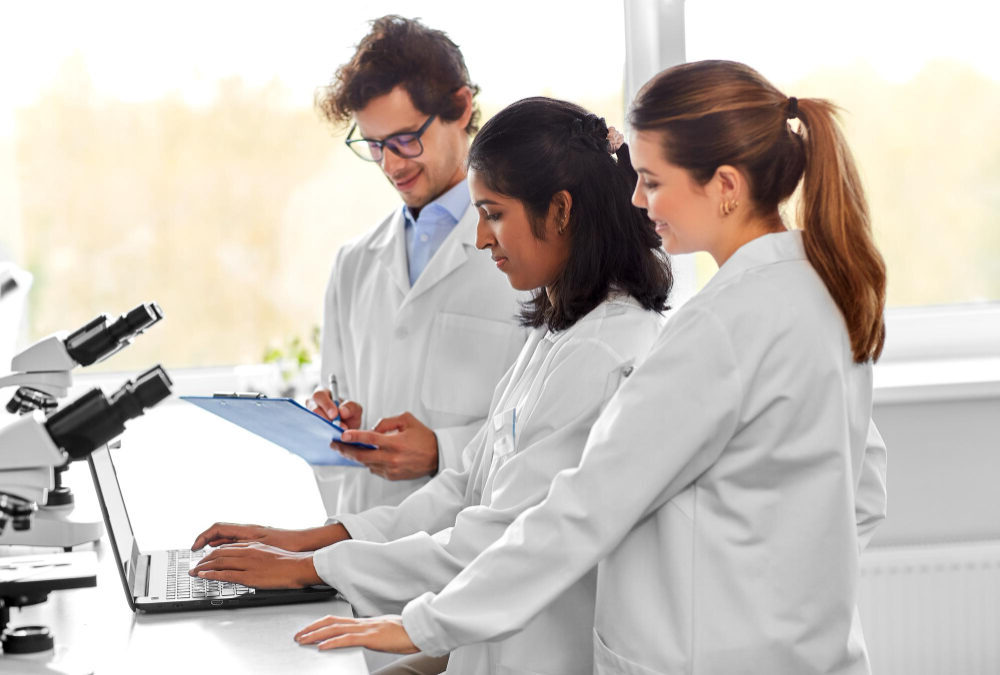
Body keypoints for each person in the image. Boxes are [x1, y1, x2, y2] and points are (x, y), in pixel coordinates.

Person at [291, 60, 890, 675]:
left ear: (726, 185)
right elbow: (863, 491)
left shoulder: (717, 327)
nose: (636, 198)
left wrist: (421, 624)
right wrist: (775, 599)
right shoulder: (824, 292)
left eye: (653, 182)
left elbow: (582, 510)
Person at [190, 98, 673, 674]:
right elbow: (464, 488)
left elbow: (498, 538)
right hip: (481, 646)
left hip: (537, 651)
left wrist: (315, 567)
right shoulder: (560, 328)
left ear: (561, 210)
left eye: (493, 213)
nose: (481, 237)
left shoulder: (604, 351)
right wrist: (315, 541)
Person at [307, 15, 528, 515]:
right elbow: (340, 402)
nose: (391, 164)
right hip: (361, 553)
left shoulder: (531, 254)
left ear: (460, 107)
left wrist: (441, 452)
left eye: (406, 139)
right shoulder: (353, 264)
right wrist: (333, 423)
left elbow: (551, 427)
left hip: (471, 556)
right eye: (374, 145)